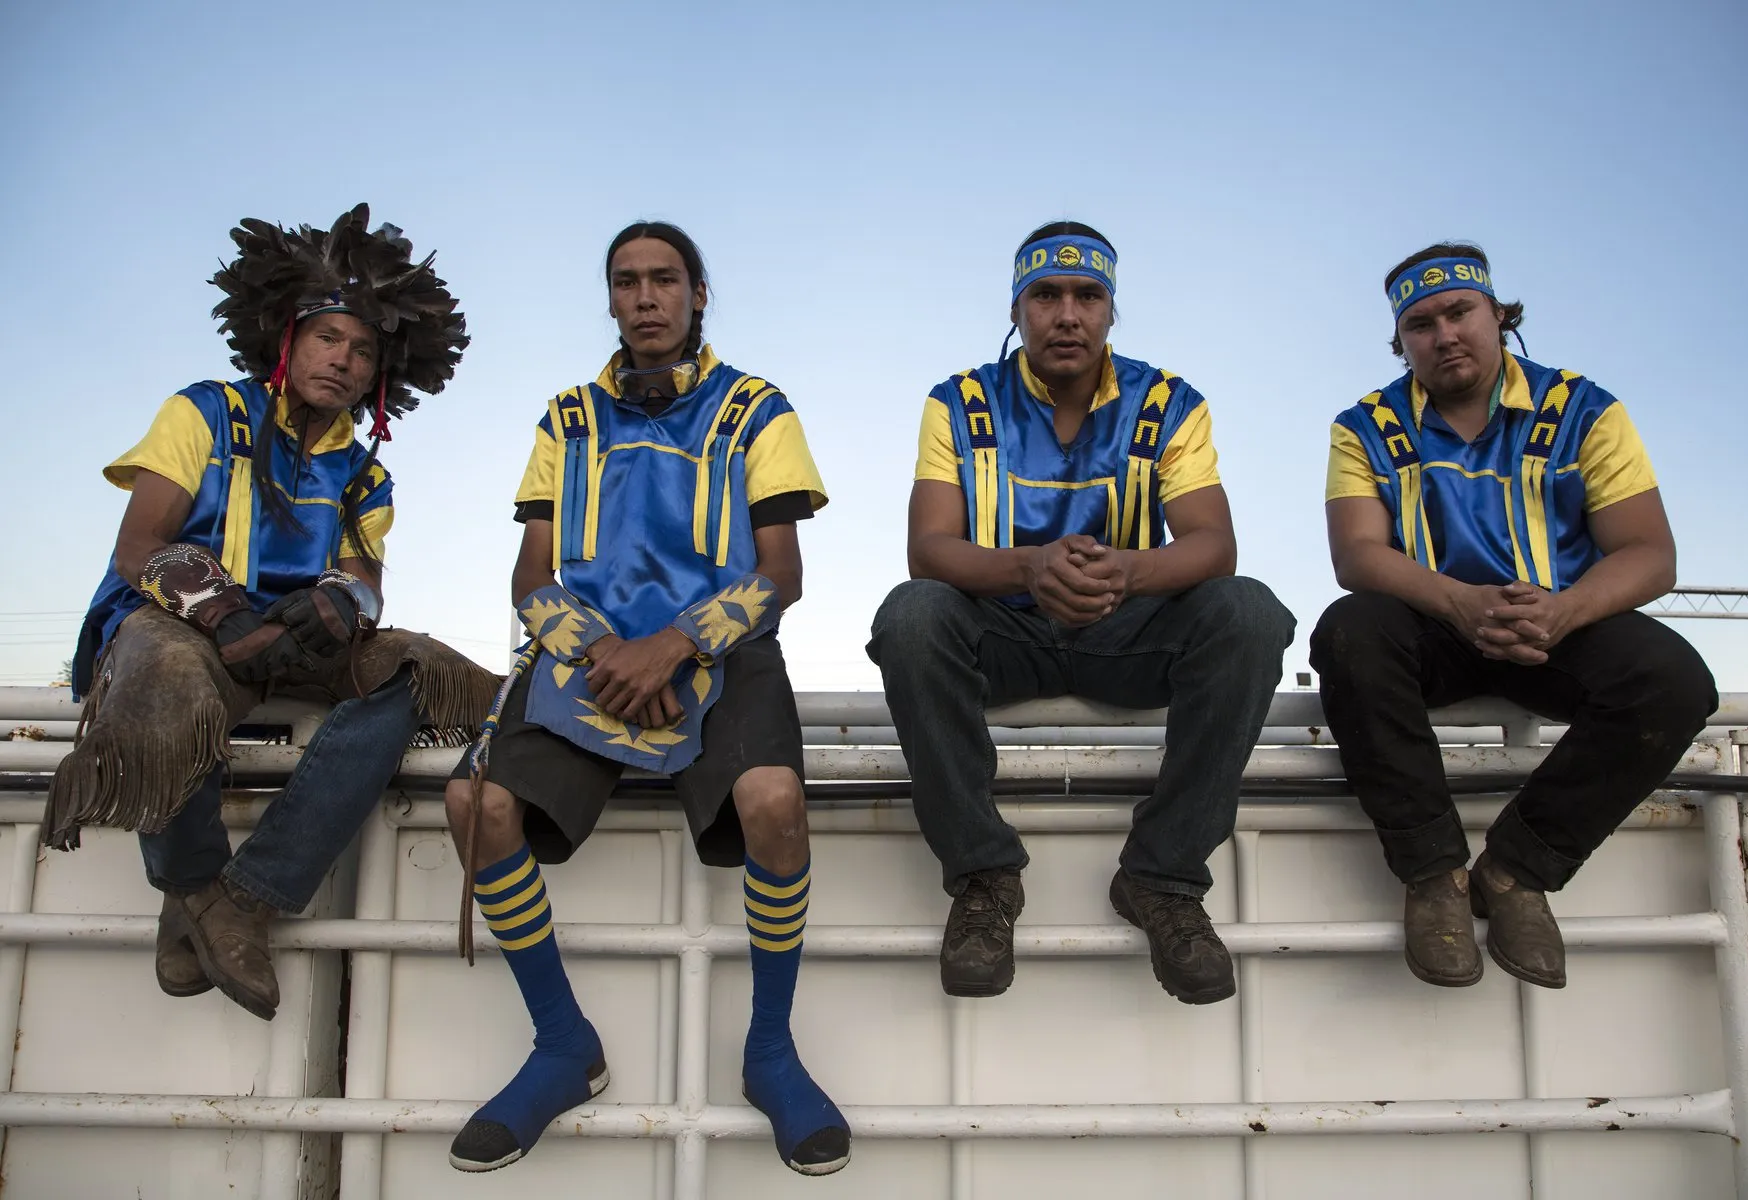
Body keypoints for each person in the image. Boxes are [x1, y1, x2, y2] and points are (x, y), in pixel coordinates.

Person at [442, 222, 847, 1176]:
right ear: (611, 299)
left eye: (665, 280)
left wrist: (674, 645)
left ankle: (771, 1051)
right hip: (594, 659)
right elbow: (530, 577)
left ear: (699, 294)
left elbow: (782, 574)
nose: (647, 298)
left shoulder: (758, 406)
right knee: (474, 804)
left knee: (776, 805)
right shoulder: (566, 417)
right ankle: (560, 1045)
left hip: (722, 649)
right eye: (627, 283)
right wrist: (606, 656)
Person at [45, 204, 496, 1021]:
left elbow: (367, 580)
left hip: (287, 635)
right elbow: (138, 547)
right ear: (288, 338)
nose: (346, 360)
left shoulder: (364, 475)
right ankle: (194, 887)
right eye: (330, 339)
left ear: (377, 375)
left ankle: (243, 899)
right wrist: (218, 612)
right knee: (168, 674)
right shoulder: (204, 410)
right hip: (178, 620)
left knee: (404, 672)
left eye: (363, 352)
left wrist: (339, 601)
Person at [866, 221, 1294, 1006]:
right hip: (1005, 632)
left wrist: (1127, 571)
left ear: (1111, 310)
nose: (1068, 315)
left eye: (1088, 296)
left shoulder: (1168, 402)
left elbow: (1213, 545)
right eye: (1047, 296)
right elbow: (928, 550)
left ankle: (1163, 879)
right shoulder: (959, 402)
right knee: (913, 615)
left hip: (1122, 630)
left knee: (1249, 613)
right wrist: (1030, 566)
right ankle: (985, 879)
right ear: (1017, 309)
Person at [1309, 242, 1716, 990]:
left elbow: (1650, 554)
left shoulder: (1585, 408)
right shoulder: (1362, 426)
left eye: (1460, 312)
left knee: (1674, 681)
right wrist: (1459, 602)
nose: (1444, 334)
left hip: (1558, 621)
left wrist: (1566, 611)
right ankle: (1434, 875)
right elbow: (1359, 557)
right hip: (1434, 625)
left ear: (1498, 315)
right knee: (1349, 630)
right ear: (1401, 340)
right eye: (1420, 323)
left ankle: (1516, 870)